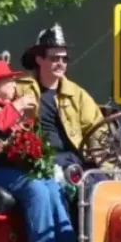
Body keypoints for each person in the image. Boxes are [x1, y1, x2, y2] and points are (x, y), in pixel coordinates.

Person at [0, 60, 77, 242]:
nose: (15, 85)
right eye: (9, 81)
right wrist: (16, 108)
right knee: (35, 188)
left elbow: (28, 136)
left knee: (52, 186)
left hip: (18, 167)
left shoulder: (11, 107)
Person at [15, 24, 112, 186]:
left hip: (73, 162)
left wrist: (108, 169)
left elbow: (97, 129)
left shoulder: (77, 94)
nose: (61, 63)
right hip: (38, 162)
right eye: (54, 58)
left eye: (64, 59)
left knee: (101, 187)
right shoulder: (19, 89)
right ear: (39, 59)